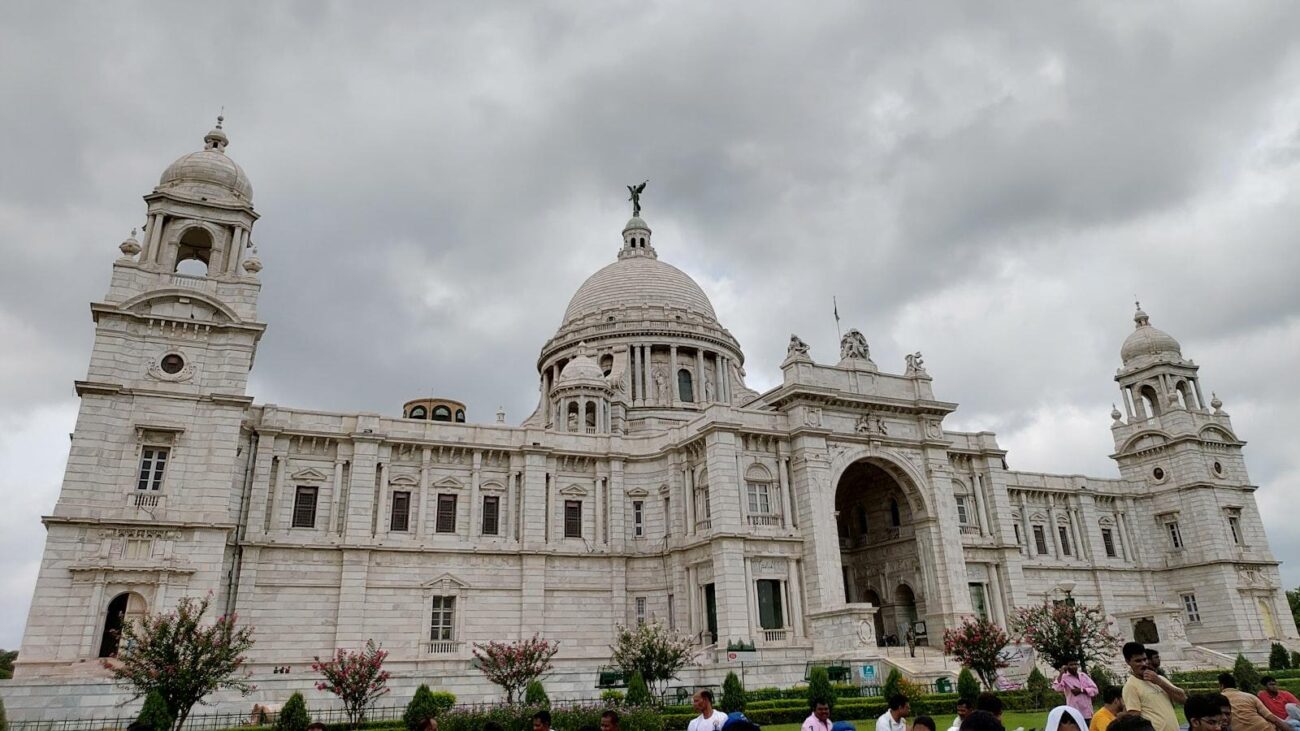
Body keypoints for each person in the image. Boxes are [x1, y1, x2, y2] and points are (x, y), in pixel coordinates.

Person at [1121, 642, 1185, 731]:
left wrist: (1160, 682)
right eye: (1138, 661)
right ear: (1128, 662)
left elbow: (1183, 698)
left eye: (1145, 659)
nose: (1143, 664)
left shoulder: (1159, 679)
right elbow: (1134, 718)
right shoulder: (1130, 686)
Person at [1219, 673, 1291, 731]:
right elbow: (1272, 718)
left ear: (1221, 686)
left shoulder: (1218, 699)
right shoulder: (1250, 696)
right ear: (1235, 686)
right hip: (1264, 727)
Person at [1053, 658, 1100, 724]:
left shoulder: (1083, 675)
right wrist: (1061, 673)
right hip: (1074, 714)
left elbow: (1095, 690)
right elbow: (1057, 688)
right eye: (1071, 665)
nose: (1074, 666)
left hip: (1087, 713)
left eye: (1075, 664)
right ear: (1066, 666)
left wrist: (1081, 690)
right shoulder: (1064, 677)